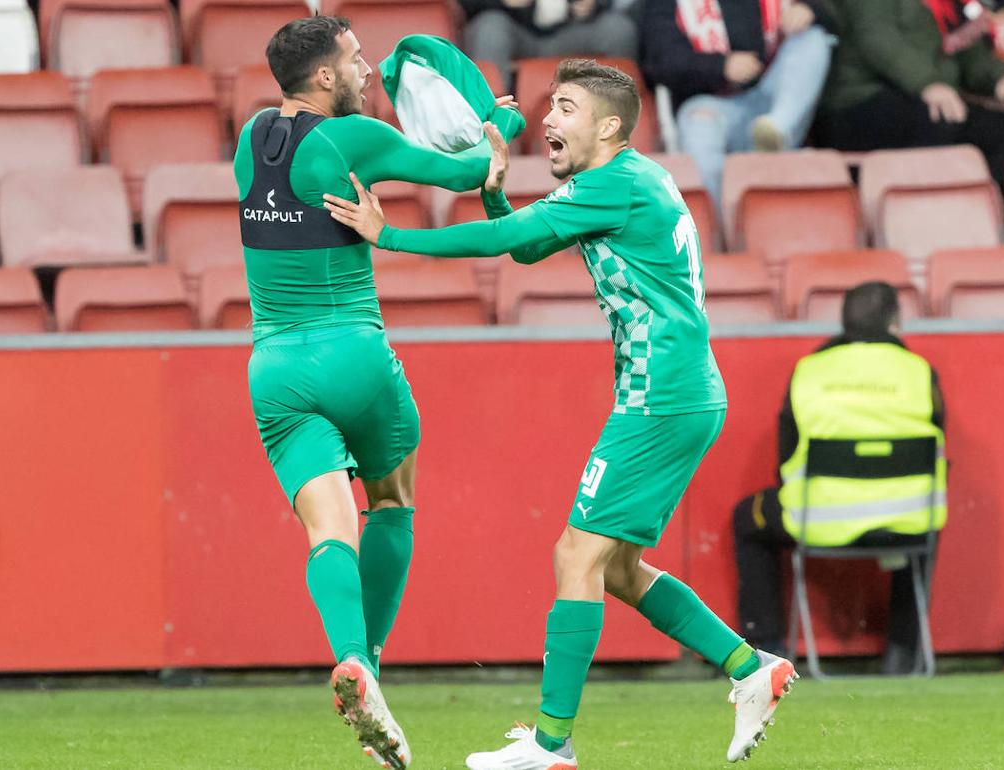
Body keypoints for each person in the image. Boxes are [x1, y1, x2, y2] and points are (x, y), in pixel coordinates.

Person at [325, 58, 797, 769]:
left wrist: (389, 238)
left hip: (660, 395)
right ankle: (748, 668)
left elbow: (498, 245)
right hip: (676, 390)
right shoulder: (624, 181)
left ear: (608, 126)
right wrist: (490, 192)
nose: (548, 119)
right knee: (617, 568)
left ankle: (551, 746)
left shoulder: (613, 184)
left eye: (566, 108)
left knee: (575, 555)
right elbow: (525, 245)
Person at [235, 17, 523, 769]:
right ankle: (376, 664)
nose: (368, 71)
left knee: (329, 530)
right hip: (355, 356)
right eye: (356, 61)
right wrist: (501, 121)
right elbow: (464, 174)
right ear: (325, 77)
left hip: (274, 372)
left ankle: (351, 660)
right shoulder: (347, 140)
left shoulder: (252, 139)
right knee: (391, 504)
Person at [731, 282, 947, 675]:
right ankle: (903, 653)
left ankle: (764, 654)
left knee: (748, 517)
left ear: (843, 323)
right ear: (896, 322)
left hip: (819, 520)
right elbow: (937, 453)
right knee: (927, 521)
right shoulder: (920, 371)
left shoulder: (809, 370)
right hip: (908, 521)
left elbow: (785, 458)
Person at [815, 0, 1004, 195]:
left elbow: (968, 52)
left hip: (922, 104)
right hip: (859, 102)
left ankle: (987, 223)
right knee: (938, 125)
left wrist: (1001, 78)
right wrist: (928, 84)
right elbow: (877, 39)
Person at [639, 0, 837, 207]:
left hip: (772, 98)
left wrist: (808, 10)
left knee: (812, 39)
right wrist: (721, 66)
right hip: (711, 105)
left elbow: (831, 20)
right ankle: (721, 228)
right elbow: (661, 60)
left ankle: (774, 133)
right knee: (700, 128)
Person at [462, 0, 640, 88]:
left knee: (619, 30)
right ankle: (492, 121)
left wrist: (593, 4)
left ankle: (618, 116)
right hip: (513, 30)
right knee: (490, 29)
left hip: (571, 31)